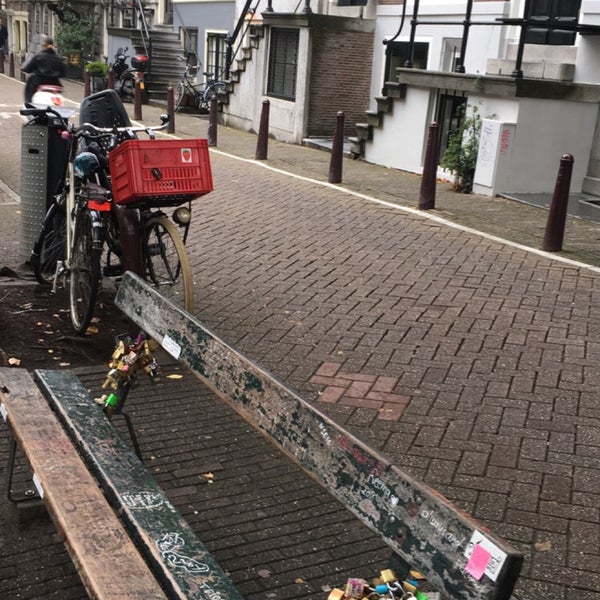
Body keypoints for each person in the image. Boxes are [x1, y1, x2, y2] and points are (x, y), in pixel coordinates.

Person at [21, 36, 66, 105]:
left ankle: (28, 104)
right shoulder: (58, 58)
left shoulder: (38, 56)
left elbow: (26, 68)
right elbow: (63, 74)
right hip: (55, 82)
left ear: (43, 45)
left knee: (29, 88)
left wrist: (24, 68)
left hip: (38, 82)